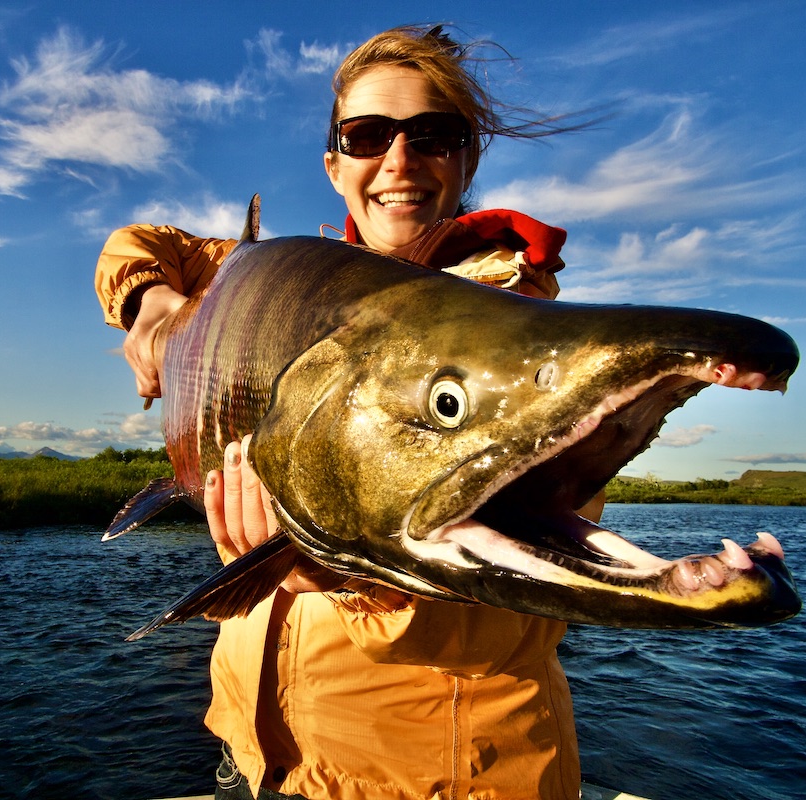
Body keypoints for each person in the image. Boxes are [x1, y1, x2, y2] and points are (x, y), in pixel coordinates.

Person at [94, 25, 603, 800]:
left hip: (444, 781)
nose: (399, 161)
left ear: (468, 159)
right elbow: (138, 243)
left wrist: (336, 572)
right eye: (368, 136)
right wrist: (154, 307)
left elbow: (516, 578)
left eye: (433, 135)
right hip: (259, 762)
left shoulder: (519, 344)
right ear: (334, 165)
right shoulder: (276, 282)